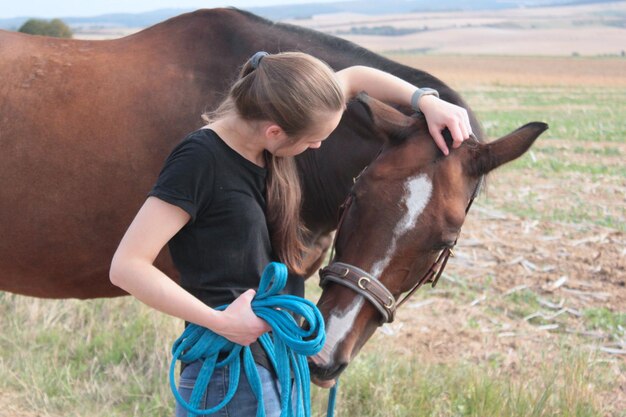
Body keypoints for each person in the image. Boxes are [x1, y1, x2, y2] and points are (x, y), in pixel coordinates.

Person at [109, 51, 472, 417]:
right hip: (231, 370)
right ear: (275, 131)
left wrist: (426, 101)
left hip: (277, 358)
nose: (316, 147)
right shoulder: (198, 162)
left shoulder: (275, 130)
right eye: (313, 139)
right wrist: (221, 323)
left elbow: (357, 77)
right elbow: (127, 266)